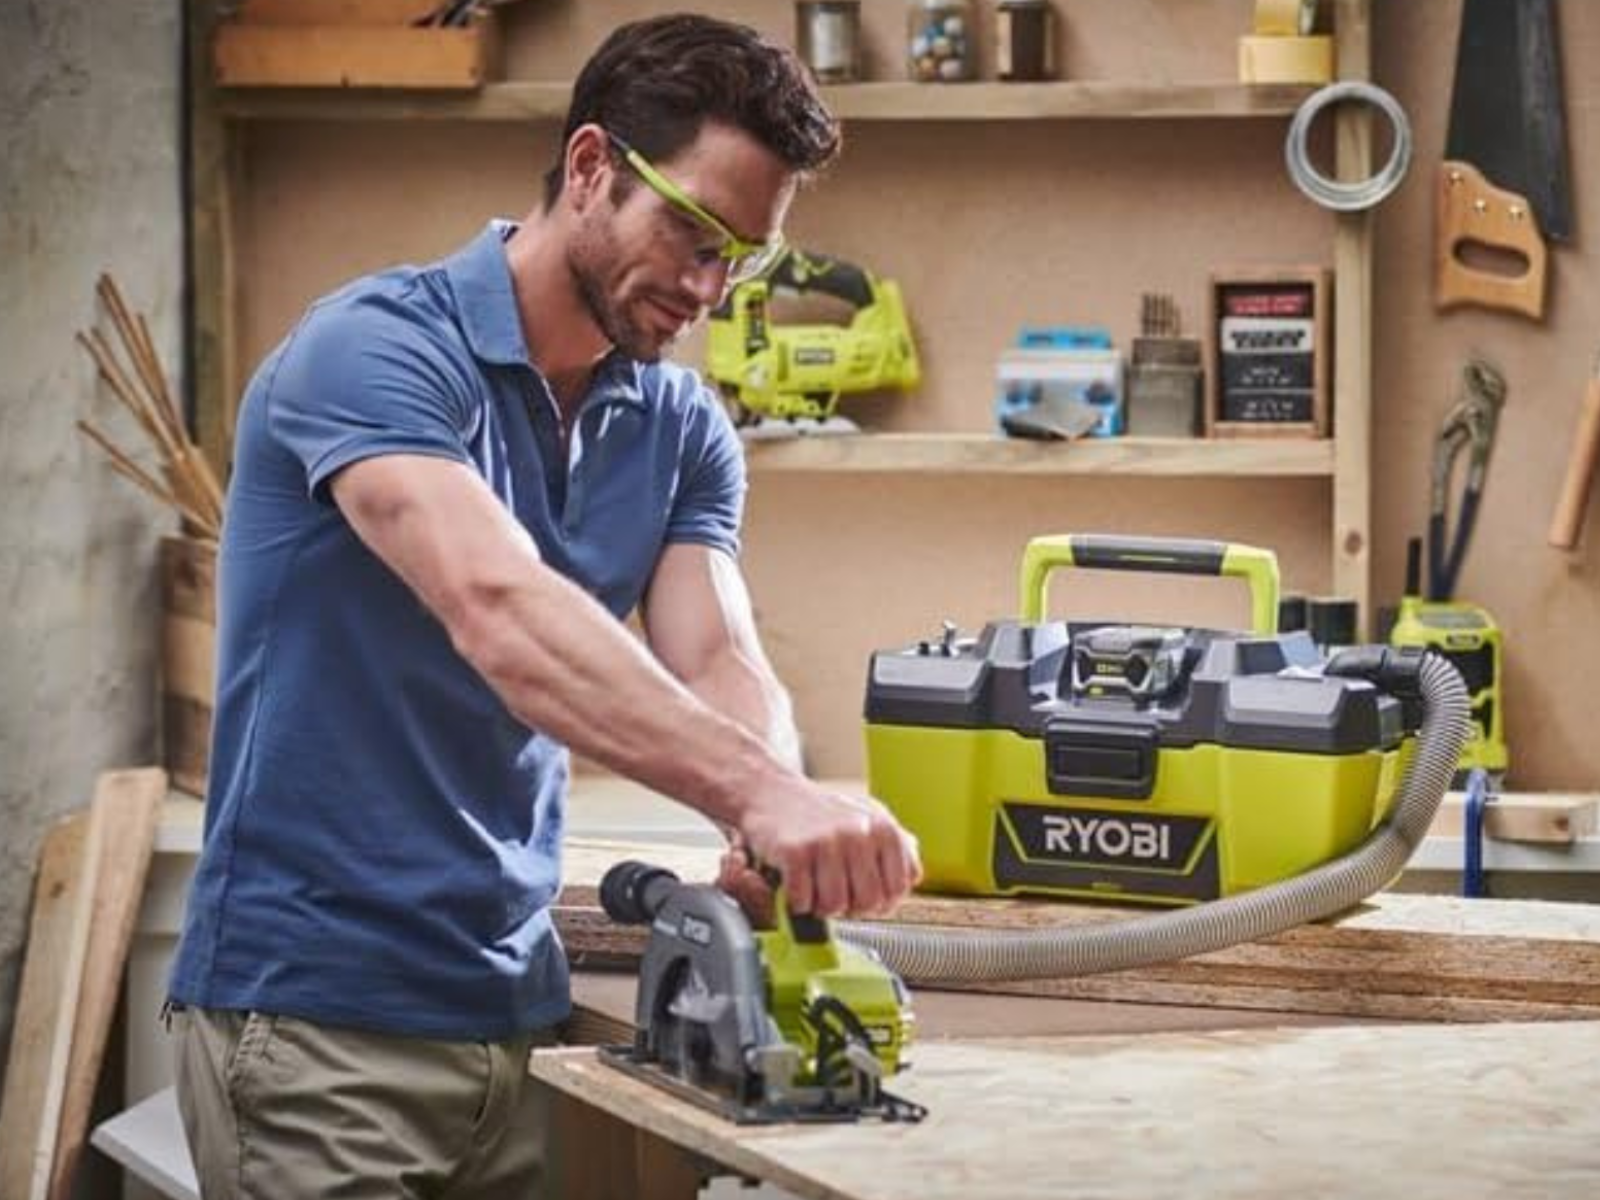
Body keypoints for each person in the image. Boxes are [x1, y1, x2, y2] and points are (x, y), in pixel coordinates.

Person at [166, 13, 922, 1198]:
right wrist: (760, 793)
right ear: (588, 169)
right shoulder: (372, 352)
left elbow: (718, 650)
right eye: (692, 230)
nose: (709, 288)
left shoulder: (679, 426)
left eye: (745, 257)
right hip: (320, 1028)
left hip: (519, 1019)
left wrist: (763, 821)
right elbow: (499, 608)